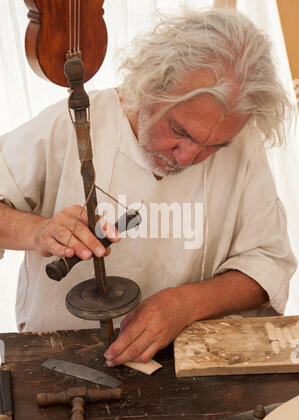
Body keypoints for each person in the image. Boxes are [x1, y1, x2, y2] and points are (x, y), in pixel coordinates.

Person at [0, 9, 296, 368]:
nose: (188, 158)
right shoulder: (70, 126)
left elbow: (268, 266)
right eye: (179, 131)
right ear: (151, 85)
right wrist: (37, 231)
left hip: (187, 366)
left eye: (214, 146)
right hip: (56, 358)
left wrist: (187, 304)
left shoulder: (243, 147)